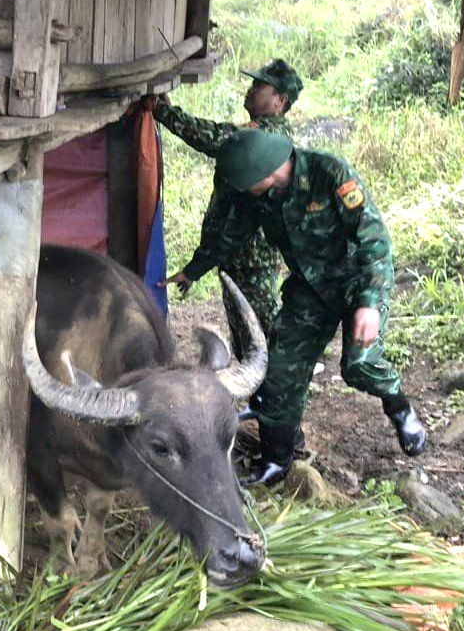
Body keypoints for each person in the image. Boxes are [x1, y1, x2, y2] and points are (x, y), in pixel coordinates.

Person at [161, 129, 427, 487]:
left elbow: (373, 238)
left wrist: (369, 304)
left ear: (266, 173)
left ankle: (400, 410)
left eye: (245, 183)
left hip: (357, 283)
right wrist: (192, 272)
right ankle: (276, 458)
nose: (241, 192)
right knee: (280, 373)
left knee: (359, 365)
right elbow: (230, 235)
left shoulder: (329, 173)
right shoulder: (258, 197)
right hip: (309, 290)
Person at [153, 59, 303, 360]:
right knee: (243, 328)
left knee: (259, 325)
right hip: (235, 250)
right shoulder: (260, 131)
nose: (251, 90)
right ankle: (261, 395)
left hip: (251, 254)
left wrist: (164, 112)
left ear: (280, 101)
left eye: (260, 86)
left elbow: (216, 138)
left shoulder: (266, 137)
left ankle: (283, 386)